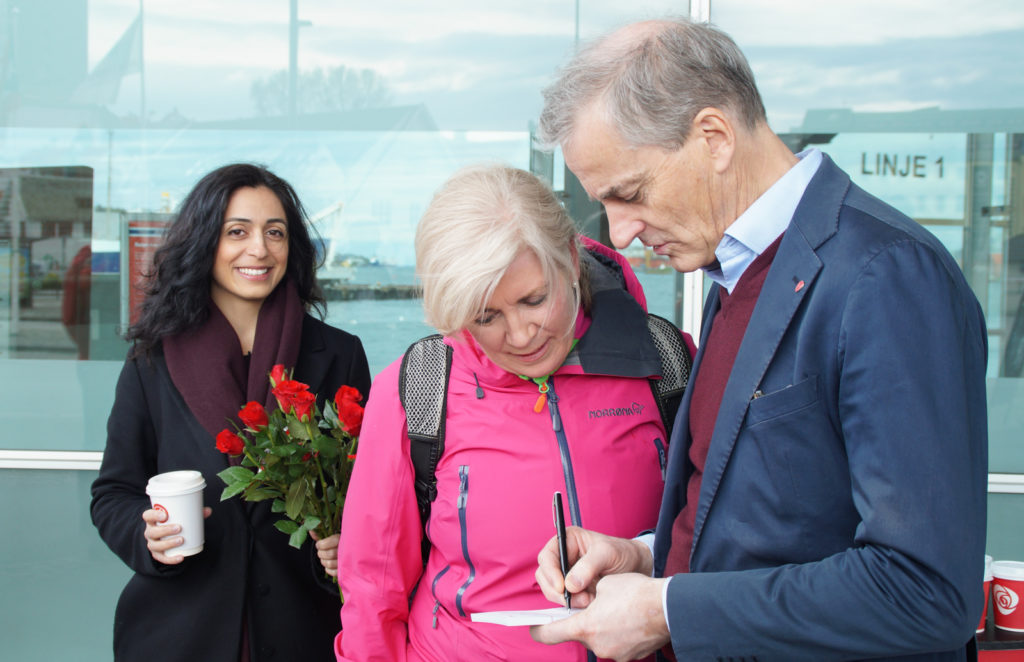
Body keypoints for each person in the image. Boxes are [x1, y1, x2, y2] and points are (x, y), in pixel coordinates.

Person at [529, 17, 989, 662]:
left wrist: (667, 609)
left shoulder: (885, 275)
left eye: (629, 193)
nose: (620, 231)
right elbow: (770, 520)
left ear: (714, 137)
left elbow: (925, 592)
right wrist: (640, 553)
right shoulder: (735, 269)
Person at [334, 163, 694, 662]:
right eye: (486, 316)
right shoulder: (416, 387)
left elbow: (719, 534)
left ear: (570, 259)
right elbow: (373, 588)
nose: (522, 335)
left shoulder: (666, 362)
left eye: (534, 299)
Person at [90, 163, 371, 662]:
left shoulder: (340, 355)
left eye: (275, 232)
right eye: (236, 232)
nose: (259, 249)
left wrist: (345, 543)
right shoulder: (151, 361)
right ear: (204, 243)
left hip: (305, 629)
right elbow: (114, 492)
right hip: (178, 634)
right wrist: (148, 535)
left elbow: (370, 493)